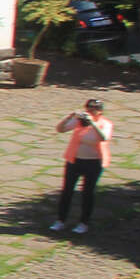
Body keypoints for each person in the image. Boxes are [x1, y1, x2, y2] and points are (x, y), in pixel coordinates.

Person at [52, 98, 113, 233]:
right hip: (74, 160)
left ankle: (84, 223)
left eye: (94, 109)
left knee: (88, 192)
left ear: (100, 111)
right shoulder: (79, 122)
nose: (90, 111)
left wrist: (93, 124)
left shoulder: (105, 124)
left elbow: (103, 138)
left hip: (94, 163)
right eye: (88, 108)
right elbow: (60, 129)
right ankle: (60, 220)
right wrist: (69, 117)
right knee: (67, 191)